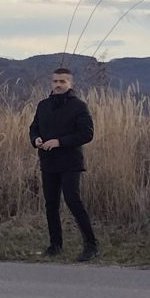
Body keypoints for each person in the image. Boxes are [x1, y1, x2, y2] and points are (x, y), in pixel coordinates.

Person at [28, 67, 98, 262]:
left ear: (70, 84)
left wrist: (59, 141)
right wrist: (36, 140)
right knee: (51, 204)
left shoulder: (79, 106)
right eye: (55, 81)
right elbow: (33, 128)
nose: (58, 85)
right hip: (48, 162)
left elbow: (87, 134)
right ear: (51, 83)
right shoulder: (43, 105)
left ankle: (91, 245)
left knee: (73, 201)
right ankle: (55, 245)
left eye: (62, 82)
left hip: (70, 162)